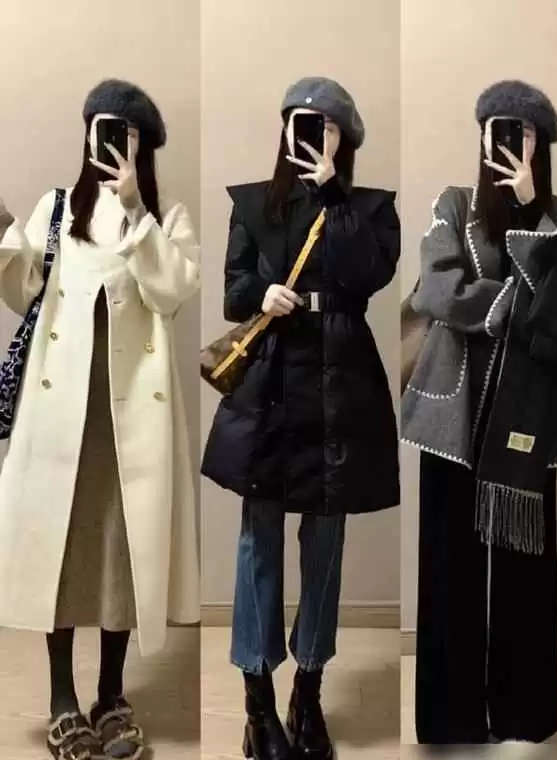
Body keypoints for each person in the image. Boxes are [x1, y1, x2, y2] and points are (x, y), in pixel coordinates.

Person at [0, 79, 201, 760]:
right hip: (61, 414)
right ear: (85, 135)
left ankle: (111, 696)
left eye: (127, 134)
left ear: (144, 147)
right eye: (103, 129)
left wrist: (137, 210)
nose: (113, 144)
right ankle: (62, 699)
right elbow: (22, 288)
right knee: (59, 553)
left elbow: (171, 292)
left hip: (130, 420)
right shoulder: (57, 209)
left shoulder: (166, 219)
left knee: (123, 553)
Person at [201, 76, 400, 760]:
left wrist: (334, 194)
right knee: (258, 540)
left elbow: (369, 276)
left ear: (345, 139)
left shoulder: (371, 209)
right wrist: (263, 292)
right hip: (270, 382)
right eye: (300, 120)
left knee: (326, 544)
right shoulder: (252, 204)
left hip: (341, 385)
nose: (310, 132)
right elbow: (233, 292)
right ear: (283, 129)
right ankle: (258, 707)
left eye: (326, 124)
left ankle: (307, 695)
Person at [402, 80, 557, 746]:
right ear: (482, 137)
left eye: (526, 132)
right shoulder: (452, 205)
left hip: (530, 417)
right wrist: (510, 306)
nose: (513, 140)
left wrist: (531, 212)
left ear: (542, 146)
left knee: (524, 570)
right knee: (448, 567)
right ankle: (452, 719)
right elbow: (436, 289)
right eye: (501, 128)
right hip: (453, 416)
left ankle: (523, 714)